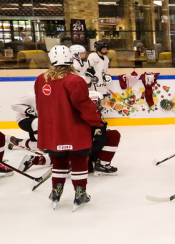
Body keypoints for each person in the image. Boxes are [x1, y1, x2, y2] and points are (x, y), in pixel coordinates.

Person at [35, 45, 106, 211]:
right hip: (74, 129)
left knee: (59, 159)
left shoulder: (41, 79)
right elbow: (84, 106)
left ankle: (56, 191)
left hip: (52, 130)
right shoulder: (74, 80)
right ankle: (80, 192)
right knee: (79, 160)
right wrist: (97, 122)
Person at [10, 90, 48, 172]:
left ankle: (17, 141)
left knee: (34, 145)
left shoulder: (56, 97)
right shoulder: (32, 95)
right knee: (38, 122)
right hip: (26, 120)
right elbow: (14, 105)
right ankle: (43, 144)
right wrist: (27, 109)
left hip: (40, 124)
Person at [87, 91, 120, 176]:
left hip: (83, 152)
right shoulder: (89, 115)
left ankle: (94, 162)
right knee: (113, 135)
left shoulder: (93, 113)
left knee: (88, 168)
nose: (102, 105)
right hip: (83, 151)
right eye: (100, 102)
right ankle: (102, 164)